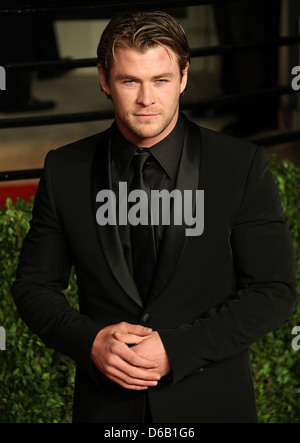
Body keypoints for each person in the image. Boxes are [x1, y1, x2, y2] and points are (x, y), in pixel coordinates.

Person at [11, 11, 296, 423]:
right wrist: (89, 341)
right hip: (107, 411)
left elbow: (273, 289)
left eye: (160, 80)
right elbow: (34, 286)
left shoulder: (239, 165)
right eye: (130, 81)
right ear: (105, 80)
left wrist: (176, 349)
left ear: (183, 77)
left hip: (212, 406)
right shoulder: (65, 169)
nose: (147, 99)